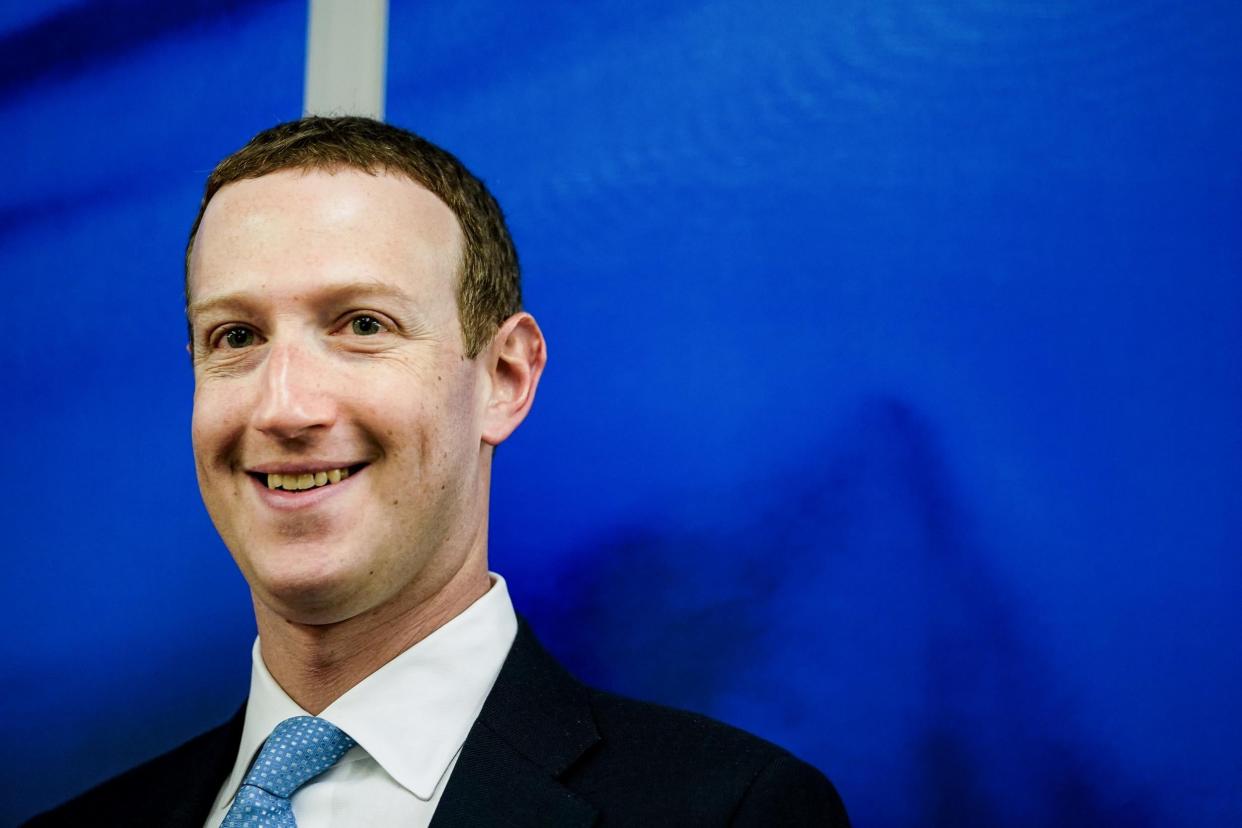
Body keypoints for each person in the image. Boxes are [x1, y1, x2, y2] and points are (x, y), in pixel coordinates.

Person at [25, 116, 849, 827]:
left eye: (361, 324)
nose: (282, 407)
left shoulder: (734, 811)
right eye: (235, 337)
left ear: (504, 380)